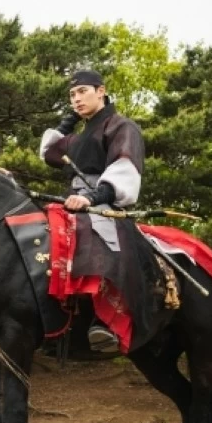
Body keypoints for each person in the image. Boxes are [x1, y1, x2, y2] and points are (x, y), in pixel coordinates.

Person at [39, 70, 146, 354]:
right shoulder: (79, 136)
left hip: (106, 202)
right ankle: (59, 319)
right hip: (75, 201)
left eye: (82, 92)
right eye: (72, 95)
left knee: (101, 238)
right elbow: (49, 152)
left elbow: (125, 169)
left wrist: (92, 198)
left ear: (101, 91)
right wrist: (70, 120)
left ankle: (107, 320)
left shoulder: (121, 126)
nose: (76, 99)